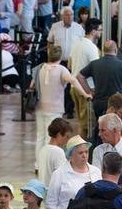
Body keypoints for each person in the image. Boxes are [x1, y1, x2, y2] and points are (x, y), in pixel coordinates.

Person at [32, 46, 90, 174]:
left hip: (40, 107)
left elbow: (32, 85)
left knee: (40, 137)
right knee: (51, 137)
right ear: (60, 56)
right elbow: (73, 81)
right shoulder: (61, 70)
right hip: (55, 108)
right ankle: (48, 164)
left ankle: (38, 164)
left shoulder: (40, 68)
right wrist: (85, 94)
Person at [77, 40, 122, 124]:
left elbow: (80, 76)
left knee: (102, 127)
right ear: (116, 50)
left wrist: (88, 91)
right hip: (118, 104)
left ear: (103, 50)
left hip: (99, 102)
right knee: (117, 129)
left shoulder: (94, 64)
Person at [69, 19, 101, 139]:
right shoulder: (91, 47)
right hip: (86, 88)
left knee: (82, 123)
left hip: (74, 87)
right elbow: (97, 69)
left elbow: (70, 65)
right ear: (93, 31)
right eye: (99, 30)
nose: (101, 32)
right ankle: (85, 152)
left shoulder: (76, 43)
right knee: (89, 125)